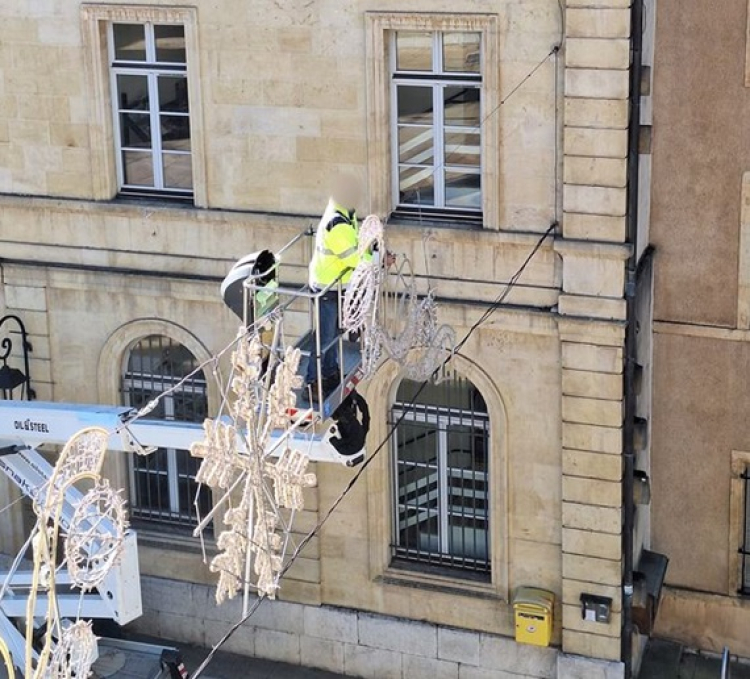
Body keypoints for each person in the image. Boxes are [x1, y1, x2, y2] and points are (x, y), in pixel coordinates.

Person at [304, 196, 365, 401]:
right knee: (325, 337)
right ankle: (312, 382)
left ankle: (330, 371)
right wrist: (378, 259)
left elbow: (356, 245)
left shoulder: (347, 213)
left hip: (336, 286)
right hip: (326, 288)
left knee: (334, 333)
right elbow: (354, 258)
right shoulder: (337, 222)